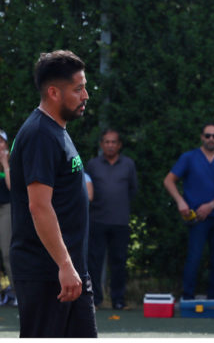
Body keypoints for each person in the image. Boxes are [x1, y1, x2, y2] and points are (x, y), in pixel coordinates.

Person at [9, 50, 97, 338]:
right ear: (53, 92)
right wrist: (65, 265)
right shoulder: (39, 134)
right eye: (78, 88)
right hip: (48, 274)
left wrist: (73, 268)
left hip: (70, 272)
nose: (85, 95)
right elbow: (39, 207)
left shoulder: (57, 130)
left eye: (84, 87)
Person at [163, 123, 214, 311]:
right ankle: (187, 299)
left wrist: (211, 205)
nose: (211, 139)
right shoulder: (189, 157)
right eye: (207, 135)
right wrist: (180, 201)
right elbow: (169, 180)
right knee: (194, 257)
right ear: (201, 137)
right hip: (196, 218)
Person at [85, 129, 138, 310]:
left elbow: (133, 190)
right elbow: (85, 189)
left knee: (119, 262)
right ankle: (95, 300)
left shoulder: (128, 164)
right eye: (107, 142)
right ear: (101, 144)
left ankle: (118, 300)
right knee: (94, 262)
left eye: (113, 142)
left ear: (119, 145)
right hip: (97, 220)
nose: (110, 145)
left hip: (120, 221)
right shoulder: (92, 164)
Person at [0, 129, 16, 307]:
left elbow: (12, 187)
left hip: (6, 209)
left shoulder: (10, 162)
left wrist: (5, 163)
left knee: (7, 251)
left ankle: (16, 291)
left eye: (1, 141)